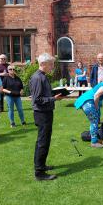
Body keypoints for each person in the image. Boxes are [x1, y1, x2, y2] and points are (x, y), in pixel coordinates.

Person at [30, 53, 63, 181]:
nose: (52, 66)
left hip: (45, 112)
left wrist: (53, 95)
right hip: (41, 113)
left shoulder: (42, 76)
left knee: (44, 140)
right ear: (43, 64)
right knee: (42, 141)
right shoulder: (38, 78)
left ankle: (41, 165)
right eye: (51, 64)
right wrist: (52, 98)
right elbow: (37, 99)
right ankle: (39, 172)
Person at [74, 81, 103, 148]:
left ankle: (96, 139)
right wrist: (97, 108)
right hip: (88, 100)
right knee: (94, 121)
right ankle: (94, 142)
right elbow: (96, 95)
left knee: (96, 120)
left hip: (92, 101)